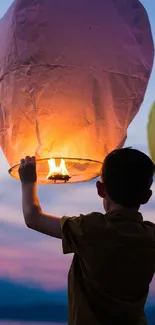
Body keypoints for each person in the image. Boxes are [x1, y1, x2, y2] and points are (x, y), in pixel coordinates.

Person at [18, 148, 155, 325]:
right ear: (146, 196)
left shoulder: (90, 229)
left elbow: (33, 218)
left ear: (100, 189)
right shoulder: (151, 237)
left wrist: (28, 182)